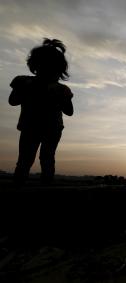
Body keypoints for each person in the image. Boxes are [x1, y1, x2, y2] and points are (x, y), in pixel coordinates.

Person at [8, 38, 74, 185]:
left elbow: (69, 111)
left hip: (51, 128)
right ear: (36, 66)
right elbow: (13, 101)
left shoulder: (62, 89)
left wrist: (60, 97)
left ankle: (44, 186)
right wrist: (25, 88)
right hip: (31, 126)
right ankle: (19, 185)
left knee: (46, 158)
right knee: (26, 159)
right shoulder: (23, 82)